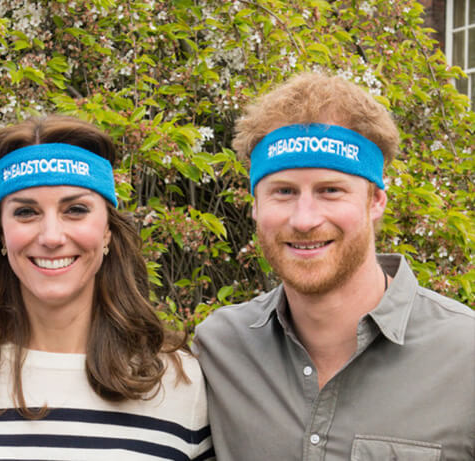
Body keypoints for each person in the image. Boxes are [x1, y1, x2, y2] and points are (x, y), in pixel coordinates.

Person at [193, 73, 474, 460]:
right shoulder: (218, 349)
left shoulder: (465, 356)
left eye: (330, 190)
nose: (305, 219)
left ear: (375, 201)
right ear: (255, 206)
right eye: (284, 192)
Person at [0, 115, 213, 460]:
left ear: (107, 230)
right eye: (26, 212)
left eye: (75, 210)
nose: (51, 237)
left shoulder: (178, 382)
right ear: (1, 233)